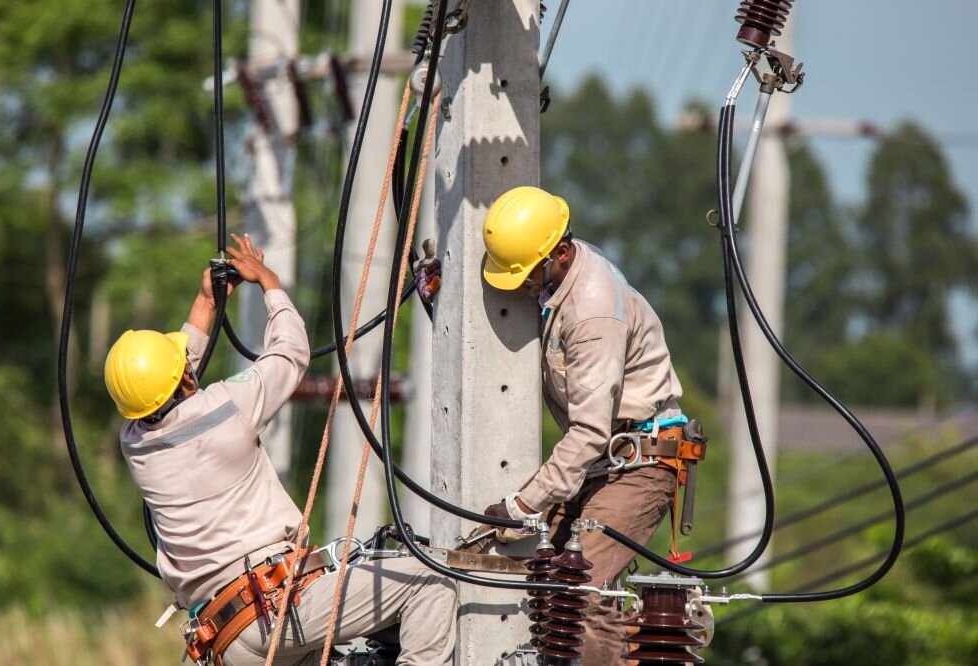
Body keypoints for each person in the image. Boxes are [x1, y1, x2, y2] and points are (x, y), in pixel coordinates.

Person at [104, 234, 456, 666]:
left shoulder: (135, 443)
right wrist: (268, 282)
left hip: (226, 642)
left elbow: (170, 383)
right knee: (429, 584)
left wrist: (206, 303)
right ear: (186, 382)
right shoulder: (226, 411)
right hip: (274, 614)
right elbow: (290, 352)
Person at [481, 186, 690, 665]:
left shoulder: (592, 311)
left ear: (560, 251)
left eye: (528, 273)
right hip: (603, 461)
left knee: (581, 591)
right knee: (544, 576)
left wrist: (520, 505)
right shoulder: (558, 275)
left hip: (639, 463)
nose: (520, 286)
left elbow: (590, 433)